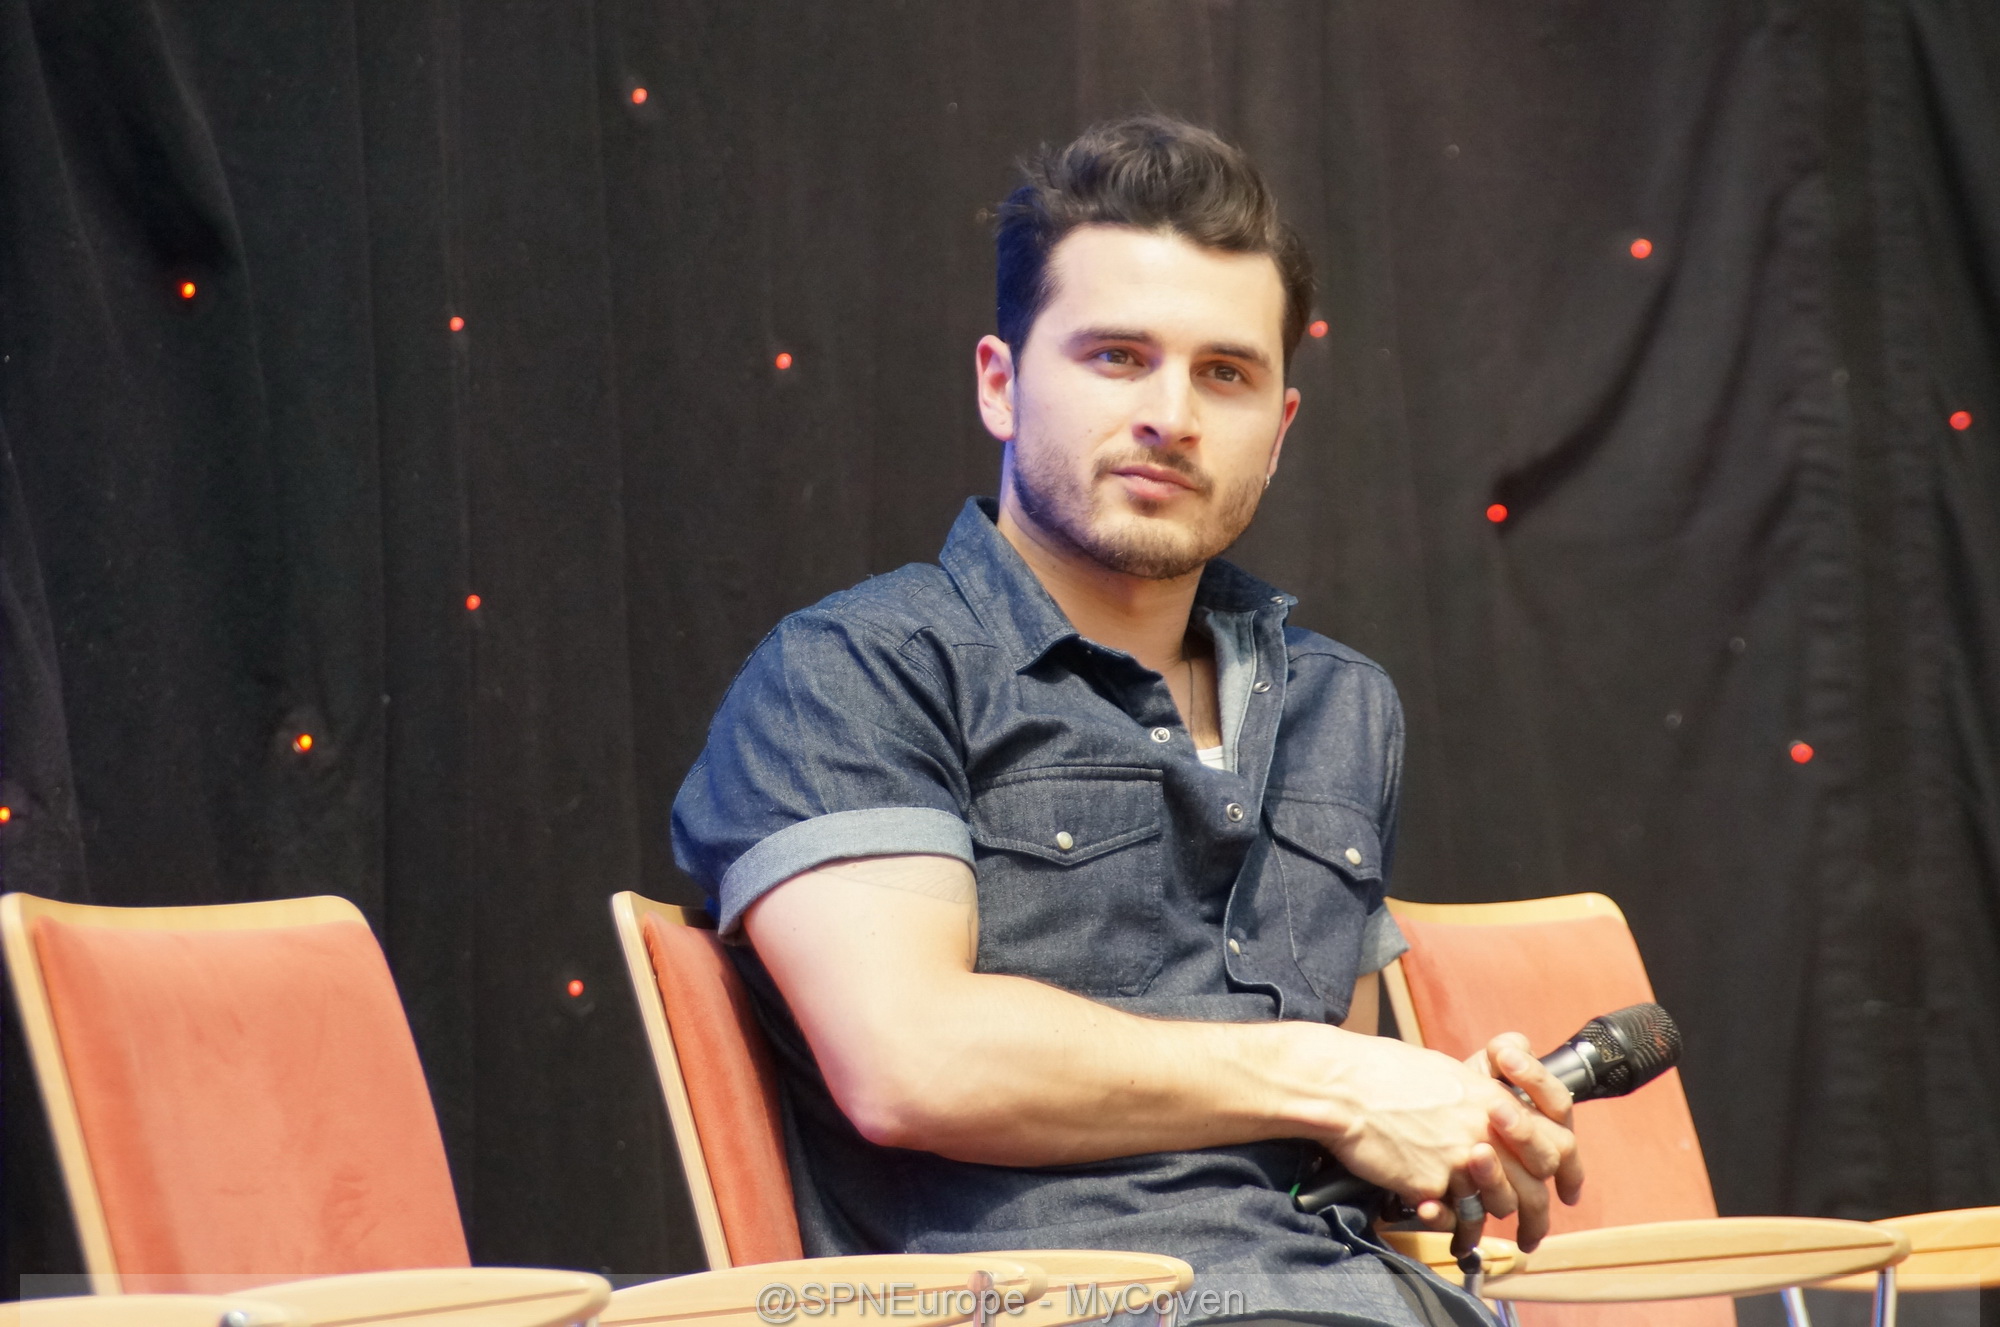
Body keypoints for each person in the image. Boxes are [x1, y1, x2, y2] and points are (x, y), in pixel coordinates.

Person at [672, 115, 1581, 1327]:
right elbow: (909, 1060)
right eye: (1116, 357)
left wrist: (1445, 1125)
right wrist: (1335, 1074)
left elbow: (1310, 1155)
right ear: (999, 384)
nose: (1172, 415)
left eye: (1224, 373)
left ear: (1279, 428)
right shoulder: (856, 670)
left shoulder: (1339, 703)